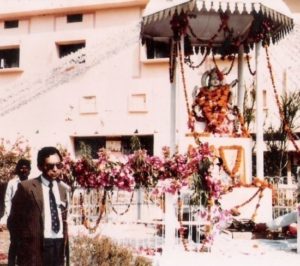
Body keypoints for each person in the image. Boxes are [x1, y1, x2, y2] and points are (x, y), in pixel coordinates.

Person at [8, 147, 69, 266]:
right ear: (40, 166)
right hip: (36, 246)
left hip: (58, 243)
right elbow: (14, 221)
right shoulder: (27, 188)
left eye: (58, 165)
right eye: (50, 166)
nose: (55, 169)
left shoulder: (63, 189)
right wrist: (22, 246)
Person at [0, 159, 31, 266]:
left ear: (29, 170)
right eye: (21, 168)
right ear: (18, 169)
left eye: (26, 168)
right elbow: (7, 201)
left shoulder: (33, 183)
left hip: (28, 219)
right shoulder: (12, 183)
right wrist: (7, 216)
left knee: (27, 243)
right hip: (15, 218)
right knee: (15, 243)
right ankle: (11, 263)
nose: (24, 170)